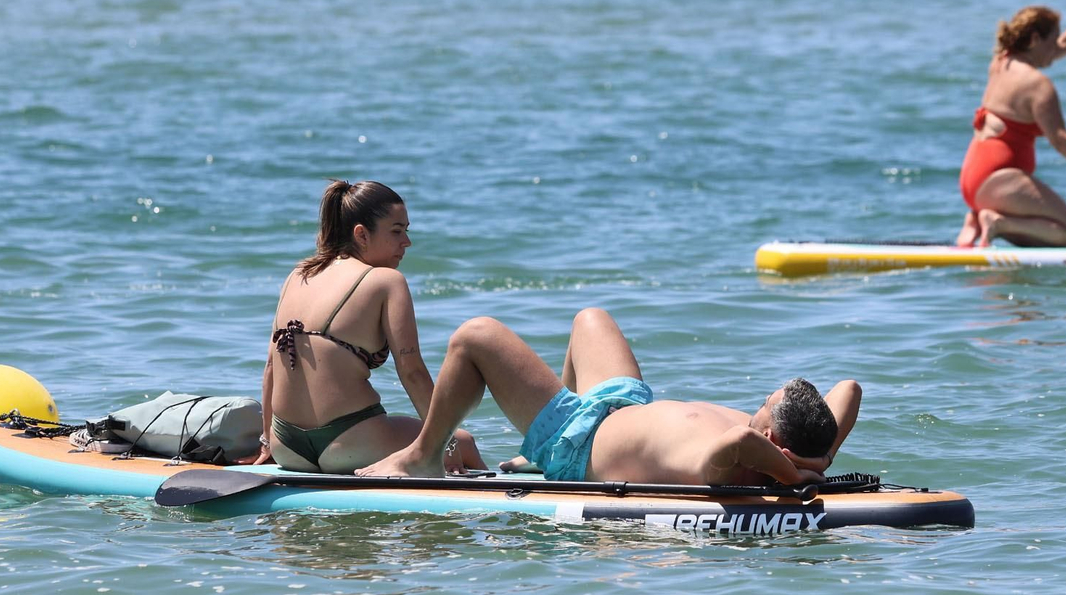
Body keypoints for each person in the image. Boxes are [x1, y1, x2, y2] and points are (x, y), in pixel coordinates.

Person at [356, 308, 861, 486]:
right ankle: (530, 455)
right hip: (624, 403)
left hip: (579, 443)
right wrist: (820, 457)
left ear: (772, 437)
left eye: (763, 405)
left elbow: (738, 441)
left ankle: (423, 456)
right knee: (590, 319)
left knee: (475, 336)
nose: (755, 407)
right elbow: (849, 389)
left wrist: (794, 476)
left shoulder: (730, 460)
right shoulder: (803, 444)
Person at [255, 180, 482, 473]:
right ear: (361, 234)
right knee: (465, 442)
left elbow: (271, 366)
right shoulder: (386, 281)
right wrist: (445, 447)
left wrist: (267, 443)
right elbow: (411, 372)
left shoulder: (298, 274)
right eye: (397, 231)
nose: (407, 242)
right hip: (351, 443)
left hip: (288, 447)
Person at [955, 0, 1066, 248]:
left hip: (972, 177)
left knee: (1056, 228)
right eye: (1052, 40)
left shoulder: (1001, 62)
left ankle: (977, 217)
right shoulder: (1037, 85)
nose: (1056, 48)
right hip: (999, 180)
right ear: (1035, 39)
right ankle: (999, 223)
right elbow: (1060, 141)